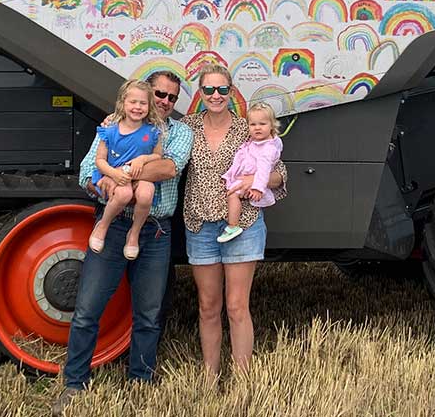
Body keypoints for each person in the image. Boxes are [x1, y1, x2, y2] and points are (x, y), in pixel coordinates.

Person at [52, 71, 193, 416]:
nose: (164, 102)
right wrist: (100, 181)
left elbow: (169, 169)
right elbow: (87, 171)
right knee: (87, 310)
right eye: (159, 94)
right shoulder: (113, 125)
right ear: (144, 93)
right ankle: (74, 384)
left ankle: (140, 381)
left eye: (172, 98)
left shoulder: (180, 132)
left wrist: (115, 171)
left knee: (149, 313)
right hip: (114, 227)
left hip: (155, 230)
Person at [180, 63, 287, 378]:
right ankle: (211, 377)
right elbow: (153, 132)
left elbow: (281, 174)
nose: (216, 95)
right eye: (209, 89)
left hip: (243, 225)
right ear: (200, 93)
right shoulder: (187, 127)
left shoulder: (248, 127)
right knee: (207, 307)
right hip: (200, 224)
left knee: (237, 306)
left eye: (222, 89)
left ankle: (242, 378)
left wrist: (256, 179)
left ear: (231, 92)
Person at [89, 79, 166, 260]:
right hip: (116, 175)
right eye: (133, 102)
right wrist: (113, 174)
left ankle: (134, 233)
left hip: (140, 176)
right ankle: (103, 225)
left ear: (149, 106)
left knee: (147, 193)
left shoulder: (152, 131)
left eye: (143, 103)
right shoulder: (110, 130)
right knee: (123, 195)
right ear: (123, 103)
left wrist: (143, 158)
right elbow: (99, 160)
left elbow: (158, 156)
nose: (137, 107)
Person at [218, 102, 284, 243]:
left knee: (232, 196)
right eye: (253, 125)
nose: (257, 128)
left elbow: (264, 170)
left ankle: (233, 226)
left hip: (251, 183)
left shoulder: (268, 149)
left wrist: (257, 187)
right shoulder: (256, 142)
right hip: (245, 177)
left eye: (262, 124)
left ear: (272, 125)